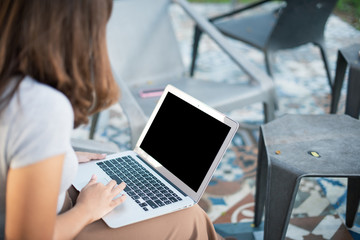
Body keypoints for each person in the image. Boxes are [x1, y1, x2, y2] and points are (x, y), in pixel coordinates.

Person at [0, 0, 219, 239]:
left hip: (48, 206)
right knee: (190, 216)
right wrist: (86, 210)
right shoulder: (41, 106)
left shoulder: (11, 85)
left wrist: (58, 156)